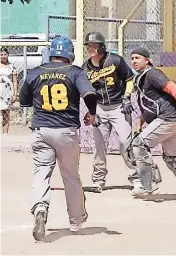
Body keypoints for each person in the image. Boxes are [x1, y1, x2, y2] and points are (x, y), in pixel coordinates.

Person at [19, 36, 98, 241]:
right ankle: (76, 220)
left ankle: (39, 208)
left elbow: (24, 100)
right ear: (70, 54)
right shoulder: (75, 72)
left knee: (41, 172)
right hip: (66, 132)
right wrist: (92, 113)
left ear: (51, 53)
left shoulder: (36, 72)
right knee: (70, 176)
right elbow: (90, 94)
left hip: (41, 130)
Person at [127, 46, 176, 202]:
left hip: (168, 118)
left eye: (138, 58)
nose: (134, 61)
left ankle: (147, 185)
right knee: (171, 157)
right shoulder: (141, 77)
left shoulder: (153, 73)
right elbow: (148, 104)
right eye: (132, 58)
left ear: (147, 60)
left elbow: (174, 89)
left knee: (138, 144)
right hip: (175, 120)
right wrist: (140, 123)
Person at [82, 32, 141, 193]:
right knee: (99, 146)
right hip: (99, 108)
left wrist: (127, 97)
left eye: (94, 45)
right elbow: (85, 91)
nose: (91, 48)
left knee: (125, 142)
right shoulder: (85, 68)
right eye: (89, 46)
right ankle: (98, 181)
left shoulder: (115, 60)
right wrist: (91, 110)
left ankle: (136, 179)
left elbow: (129, 79)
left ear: (102, 46)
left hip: (118, 107)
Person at [0, 48, 18, 135]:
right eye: (1, 54)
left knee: (6, 113)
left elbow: (15, 81)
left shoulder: (11, 66)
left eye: (5, 54)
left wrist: (15, 94)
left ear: (8, 55)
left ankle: (5, 134)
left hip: (7, 91)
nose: (3, 56)